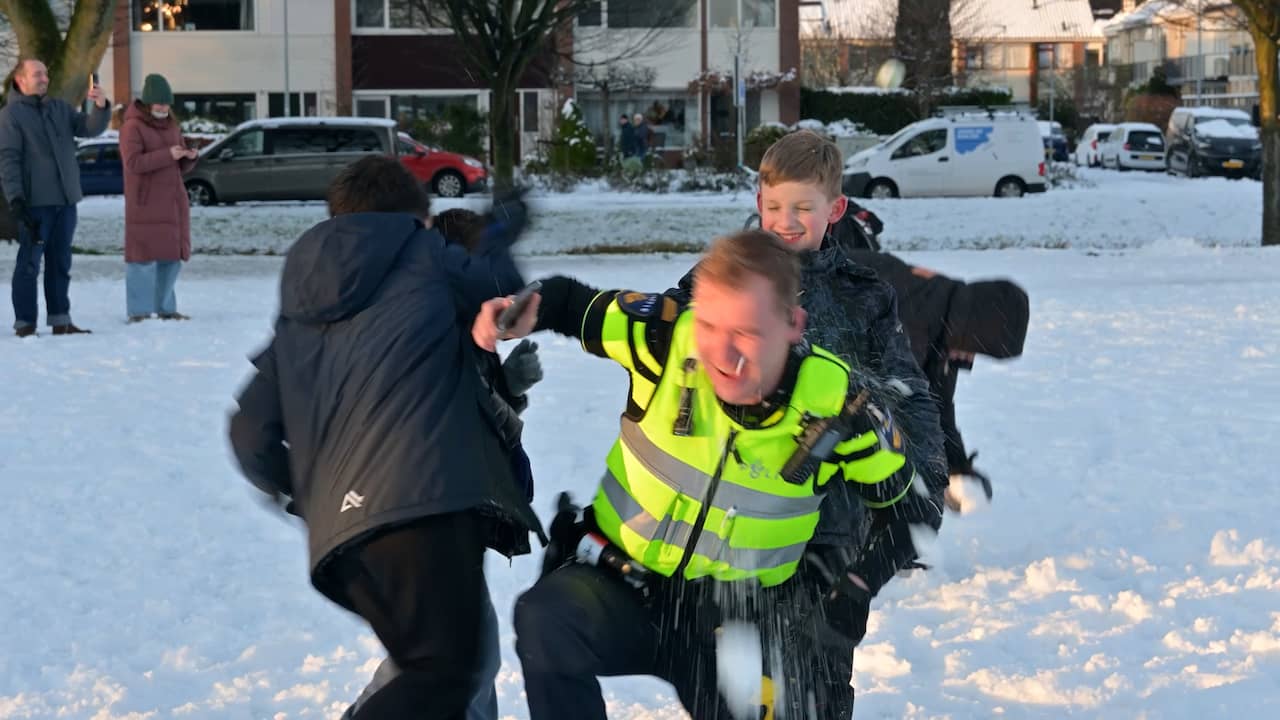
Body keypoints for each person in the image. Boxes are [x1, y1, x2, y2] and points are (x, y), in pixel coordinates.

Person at [474, 230, 941, 720]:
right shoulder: (662, 338)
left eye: (748, 333)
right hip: (623, 588)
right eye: (710, 325)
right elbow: (570, 302)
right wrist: (521, 310)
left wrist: (852, 592)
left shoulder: (837, 407)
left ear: (794, 323)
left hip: (738, 623)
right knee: (547, 619)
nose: (725, 353)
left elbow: (914, 511)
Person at [227, 156, 544, 720]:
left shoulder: (300, 304)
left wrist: (311, 491)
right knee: (446, 671)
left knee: (446, 666)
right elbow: (500, 287)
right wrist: (501, 227)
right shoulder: (423, 254)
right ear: (414, 216)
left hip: (343, 542)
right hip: (420, 505)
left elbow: (249, 430)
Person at [671, 129, 950, 712]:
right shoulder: (719, 278)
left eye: (803, 207)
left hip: (829, 526)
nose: (786, 221)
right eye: (774, 206)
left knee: (818, 681)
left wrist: (923, 477)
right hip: (734, 521)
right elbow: (663, 346)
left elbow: (907, 392)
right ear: (758, 202)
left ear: (836, 209)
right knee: (730, 683)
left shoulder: (863, 294)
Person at [340, 207, 545, 720]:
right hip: (414, 523)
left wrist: (507, 390)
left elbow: (475, 425)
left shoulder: (453, 328)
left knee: (466, 655)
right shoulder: (423, 336)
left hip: (444, 521)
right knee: (456, 658)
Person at [838, 249, 1029, 509]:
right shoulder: (908, 324)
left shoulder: (944, 320)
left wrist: (956, 466)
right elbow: (887, 410)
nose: (971, 356)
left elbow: (937, 406)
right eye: (978, 348)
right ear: (974, 328)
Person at [0, 58, 110, 337]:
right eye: (37, 74)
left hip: (66, 201)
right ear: (20, 80)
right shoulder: (10, 116)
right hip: (34, 204)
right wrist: (16, 199)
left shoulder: (59, 108)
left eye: (46, 74)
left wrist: (100, 107)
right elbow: (8, 160)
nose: (44, 78)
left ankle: (61, 319)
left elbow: (89, 128)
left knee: (60, 263)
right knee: (29, 264)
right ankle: (25, 324)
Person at [119, 73, 198, 323]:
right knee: (141, 260)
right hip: (145, 204)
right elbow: (133, 163)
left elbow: (178, 165)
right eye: (159, 103)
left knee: (170, 258)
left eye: (167, 103)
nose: (164, 107)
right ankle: (139, 311)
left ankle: (166, 308)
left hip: (171, 202)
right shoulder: (132, 127)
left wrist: (189, 157)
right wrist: (168, 155)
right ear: (148, 102)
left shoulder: (172, 126)